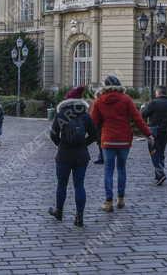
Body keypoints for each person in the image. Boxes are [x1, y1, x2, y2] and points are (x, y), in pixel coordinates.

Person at [89, 75, 153, 213]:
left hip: (107, 140)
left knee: (108, 170)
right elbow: (138, 119)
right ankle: (121, 199)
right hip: (124, 140)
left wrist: (86, 138)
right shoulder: (126, 100)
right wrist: (148, 134)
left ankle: (108, 202)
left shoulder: (99, 101)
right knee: (122, 169)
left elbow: (93, 123)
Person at [48, 85, 98, 227]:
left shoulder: (62, 114)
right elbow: (94, 135)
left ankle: (59, 212)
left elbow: (53, 134)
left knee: (61, 185)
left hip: (64, 154)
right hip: (81, 155)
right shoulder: (85, 115)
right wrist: (83, 144)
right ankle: (79, 217)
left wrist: (60, 144)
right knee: (79, 186)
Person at [141, 85, 167, 185]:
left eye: (156, 92)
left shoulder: (154, 103)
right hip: (165, 131)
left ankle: (160, 174)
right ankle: (158, 174)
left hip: (154, 131)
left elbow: (143, 114)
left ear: (158, 93)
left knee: (153, 152)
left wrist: (143, 108)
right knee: (161, 153)